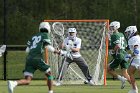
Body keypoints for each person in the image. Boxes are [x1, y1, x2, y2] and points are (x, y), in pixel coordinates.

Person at [7, 22, 58, 93]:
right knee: (49, 74)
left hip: (29, 59)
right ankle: (50, 91)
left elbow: (27, 50)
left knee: (28, 80)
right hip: (37, 58)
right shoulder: (45, 35)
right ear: (48, 28)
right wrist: (56, 51)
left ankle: (13, 83)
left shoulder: (33, 37)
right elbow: (48, 47)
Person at [107, 21, 131, 89]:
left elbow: (118, 45)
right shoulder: (121, 34)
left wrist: (113, 51)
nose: (111, 28)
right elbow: (125, 45)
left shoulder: (114, 35)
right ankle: (134, 87)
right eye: (110, 27)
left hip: (119, 55)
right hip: (124, 54)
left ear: (116, 27)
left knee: (108, 69)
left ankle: (121, 79)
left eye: (112, 27)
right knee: (125, 73)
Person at [125, 26, 139, 93]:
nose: (127, 34)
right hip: (137, 58)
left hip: (137, 58)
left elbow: (136, 51)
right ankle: (134, 89)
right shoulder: (138, 37)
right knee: (130, 72)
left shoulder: (133, 38)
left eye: (128, 33)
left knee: (130, 72)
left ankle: (134, 89)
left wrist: (130, 56)